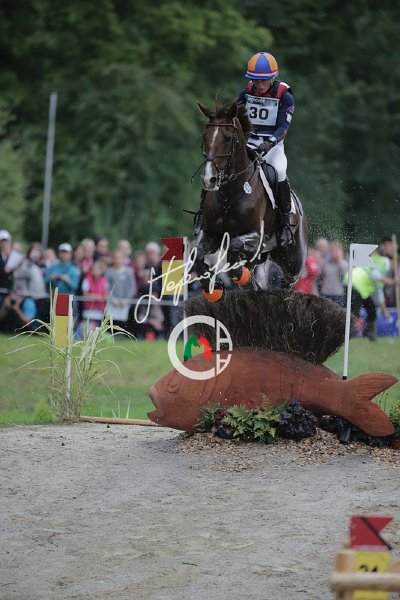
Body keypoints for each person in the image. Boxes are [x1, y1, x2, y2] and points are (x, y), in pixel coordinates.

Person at [237, 51, 295, 247]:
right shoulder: (246, 94)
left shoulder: (284, 96)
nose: (259, 85)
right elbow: (235, 119)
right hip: (249, 142)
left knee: (279, 171)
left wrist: (269, 143)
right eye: (255, 80)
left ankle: (285, 223)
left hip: (272, 146)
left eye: (263, 80)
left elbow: (283, 127)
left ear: (273, 77)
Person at [106, 250, 136, 331]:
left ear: (123, 259)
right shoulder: (109, 272)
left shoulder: (129, 271)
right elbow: (106, 287)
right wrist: (112, 299)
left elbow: (132, 287)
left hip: (125, 302)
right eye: (116, 258)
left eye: (119, 258)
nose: (117, 260)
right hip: (112, 303)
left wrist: (127, 299)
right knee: (111, 322)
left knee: (123, 324)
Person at [318, 241, 348, 306]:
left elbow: (345, 273)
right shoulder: (325, 262)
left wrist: (339, 259)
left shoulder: (343, 262)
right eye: (332, 250)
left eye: (336, 251)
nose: (333, 253)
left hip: (338, 293)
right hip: (326, 292)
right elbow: (318, 273)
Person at [80, 260, 108, 330]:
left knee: (97, 329)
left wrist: (100, 297)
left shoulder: (104, 281)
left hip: (99, 310)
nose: (95, 270)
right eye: (94, 268)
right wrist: (94, 296)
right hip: (88, 309)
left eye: (97, 269)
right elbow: (85, 295)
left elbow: (106, 295)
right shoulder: (87, 280)